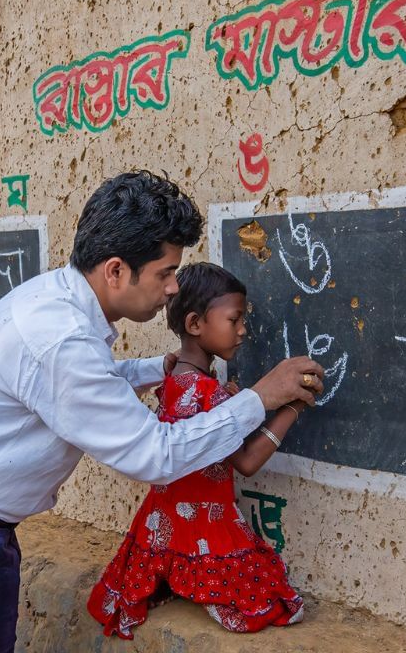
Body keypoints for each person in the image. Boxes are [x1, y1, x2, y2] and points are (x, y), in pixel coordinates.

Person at [0, 170, 324, 652]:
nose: (173, 287)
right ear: (115, 271)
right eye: (164, 272)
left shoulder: (57, 302)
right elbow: (153, 454)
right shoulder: (60, 338)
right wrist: (260, 398)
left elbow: (82, 383)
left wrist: (154, 367)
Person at [88, 262, 307, 638]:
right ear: (194, 324)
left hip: (164, 523)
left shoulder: (173, 379)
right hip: (208, 524)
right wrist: (291, 407)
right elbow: (248, 462)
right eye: (234, 319)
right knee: (273, 606)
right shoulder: (210, 393)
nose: (242, 330)